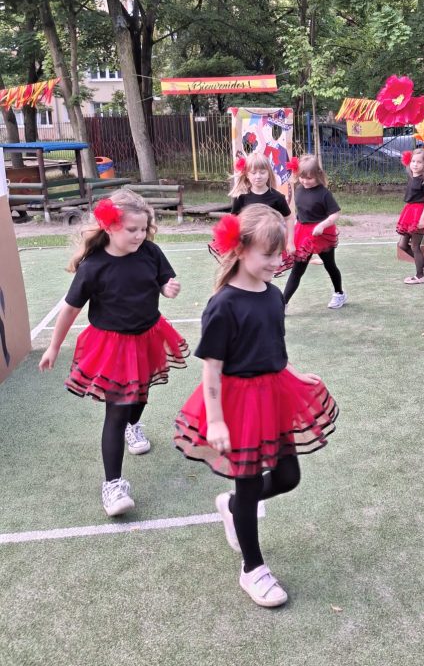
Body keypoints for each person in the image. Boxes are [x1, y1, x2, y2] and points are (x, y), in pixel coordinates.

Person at [174, 206, 338, 608]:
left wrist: (294, 374)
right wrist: (216, 422)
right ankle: (252, 568)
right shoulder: (223, 305)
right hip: (238, 404)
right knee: (247, 484)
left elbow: (274, 347)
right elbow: (212, 371)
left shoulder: (273, 295)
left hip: (274, 395)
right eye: (267, 254)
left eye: (279, 253)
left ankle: (231, 507)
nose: (276, 262)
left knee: (287, 477)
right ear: (240, 249)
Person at [38, 189, 188, 516]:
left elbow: (163, 279)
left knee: (140, 394)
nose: (139, 235)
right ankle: (113, 485)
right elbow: (69, 309)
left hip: (148, 337)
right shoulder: (93, 267)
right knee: (116, 411)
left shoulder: (150, 252)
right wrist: (53, 346)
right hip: (112, 346)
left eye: (143, 229)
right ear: (109, 227)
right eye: (132, 229)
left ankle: (135, 425)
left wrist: (168, 287)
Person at [281, 155, 347, 309]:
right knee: (297, 270)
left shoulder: (324, 193)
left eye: (309, 178)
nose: (305, 181)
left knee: (330, 265)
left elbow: (335, 213)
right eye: (302, 177)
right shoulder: (299, 189)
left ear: (318, 175)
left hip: (322, 234)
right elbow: (301, 211)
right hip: (303, 233)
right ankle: (283, 303)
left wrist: (322, 225)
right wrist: (295, 225)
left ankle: (339, 293)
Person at [229, 151, 294, 272]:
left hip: (267, 246)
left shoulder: (277, 198)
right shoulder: (241, 197)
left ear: (269, 173)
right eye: (253, 173)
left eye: (262, 172)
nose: (258, 176)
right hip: (247, 245)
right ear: (247, 174)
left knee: (263, 274)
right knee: (245, 273)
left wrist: (290, 241)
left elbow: (289, 218)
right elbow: (233, 220)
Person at [396, 147, 424, 284]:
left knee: (415, 246)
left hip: (419, 215)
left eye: (419, 162)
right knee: (402, 245)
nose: (415, 164)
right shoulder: (412, 177)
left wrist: (422, 219)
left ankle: (420, 276)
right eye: (413, 161)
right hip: (409, 213)